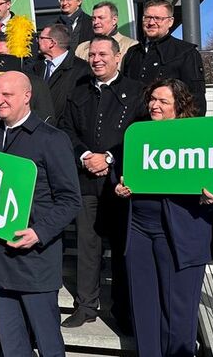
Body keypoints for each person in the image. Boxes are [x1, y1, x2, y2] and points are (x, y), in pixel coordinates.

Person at [0, 71, 81, 357]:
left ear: (27, 96)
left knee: (48, 344)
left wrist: (39, 233)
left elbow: (70, 200)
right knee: (12, 346)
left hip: (35, 261)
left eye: (7, 95)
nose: (0, 100)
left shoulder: (52, 139)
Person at [114, 79, 213, 357]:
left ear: (179, 106)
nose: (154, 105)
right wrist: (120, 185)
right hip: (138, 229)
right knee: (144, 307)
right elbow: (122, 172)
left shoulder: (197, 135)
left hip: (180, 232)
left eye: (163, 101)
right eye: (152, 99)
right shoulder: (138, 134)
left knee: (179, 313)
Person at [59, 35, 145, 332]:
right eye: (92, 55)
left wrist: (108, 158)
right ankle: (85, 306)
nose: (96, 59)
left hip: (120, 181)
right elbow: (66, 129)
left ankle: (124, 309)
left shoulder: (136, 91)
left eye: (103, 54)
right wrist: (84, 156)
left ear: (117, 56)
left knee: (123, 247)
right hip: (85, 180)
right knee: (87, 245)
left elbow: (139, 134)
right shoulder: (79, 91)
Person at [121, 0, 207, 116]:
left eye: (158, 18)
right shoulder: (132, 53)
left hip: (170, 129)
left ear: (170, 22)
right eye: (147, 17)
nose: (151, 22)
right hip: (136, 127)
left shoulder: (186, 53)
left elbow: (196, 99)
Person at [31, 24, 90, 120]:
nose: (37, 40)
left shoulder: (82, 69)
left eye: (41, 37)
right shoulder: (37, 68)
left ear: (52, 43)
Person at [74, 2, 138, 60]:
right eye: (93, 19)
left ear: (114, 20)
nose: (96, 22)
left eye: (101, 18)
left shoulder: (130, 46)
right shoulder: (81, 48)